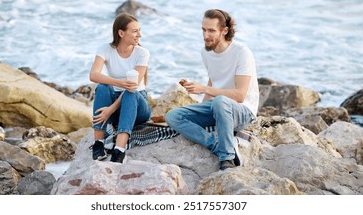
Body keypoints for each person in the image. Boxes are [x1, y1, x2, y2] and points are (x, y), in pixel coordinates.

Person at [165, 9, 259, 170]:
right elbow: (214, 80)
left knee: (221, 101)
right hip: (217, 106)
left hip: (243, 111)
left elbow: (240, 95)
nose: (205, 35)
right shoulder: (206, 53)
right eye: (203, 29)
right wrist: (200, 108)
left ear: (224, 31)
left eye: (211, 31)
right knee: (173, 116)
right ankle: (218, 145)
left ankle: (227, 157)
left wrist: (203, 88)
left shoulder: (242, 53)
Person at [89, 13, 151, 163]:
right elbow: (93, 75)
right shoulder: (105, 49)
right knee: (103, 87)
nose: (140, 35)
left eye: (139, 30)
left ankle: (119, 150)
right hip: (116, 104)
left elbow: (132, 86)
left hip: (137, 105)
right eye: (135, 31)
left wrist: (110, 109)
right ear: (121, 33)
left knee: (130, 92)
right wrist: (119, 83)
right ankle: (98, 144)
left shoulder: (142, 53)